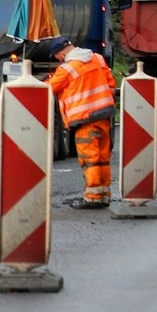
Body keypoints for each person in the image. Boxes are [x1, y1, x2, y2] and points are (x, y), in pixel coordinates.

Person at [32, 36, 116, 209]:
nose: (57, 60)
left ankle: (93, 196)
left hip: (85, 119)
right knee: (102, 157)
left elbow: (48, 89)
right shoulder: (97, 59)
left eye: (56, 56)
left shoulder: (68, 69)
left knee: (90, 158)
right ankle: (104, 194)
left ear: (61, 52)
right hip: (104, 116)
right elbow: (111, 85)